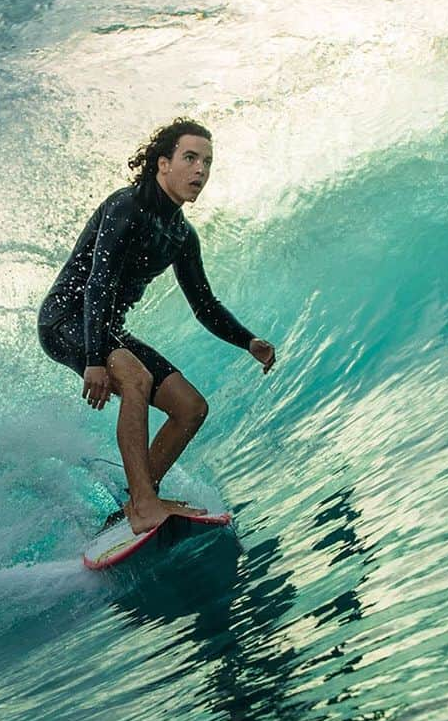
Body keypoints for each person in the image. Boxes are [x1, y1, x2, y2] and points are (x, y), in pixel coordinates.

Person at [38, 118, 276, 533]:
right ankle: (146, 504)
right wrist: (95, 360)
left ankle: (137, 500)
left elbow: (204, 304)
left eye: (207, 162)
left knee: (190, 407)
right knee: (136, 377)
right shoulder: (125, 206)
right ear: (162, 164)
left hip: (105, 329)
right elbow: (97, 283)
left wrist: (247, 340)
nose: (200, 170)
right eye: (190, 158)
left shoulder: (181, 236)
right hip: (66, 318)